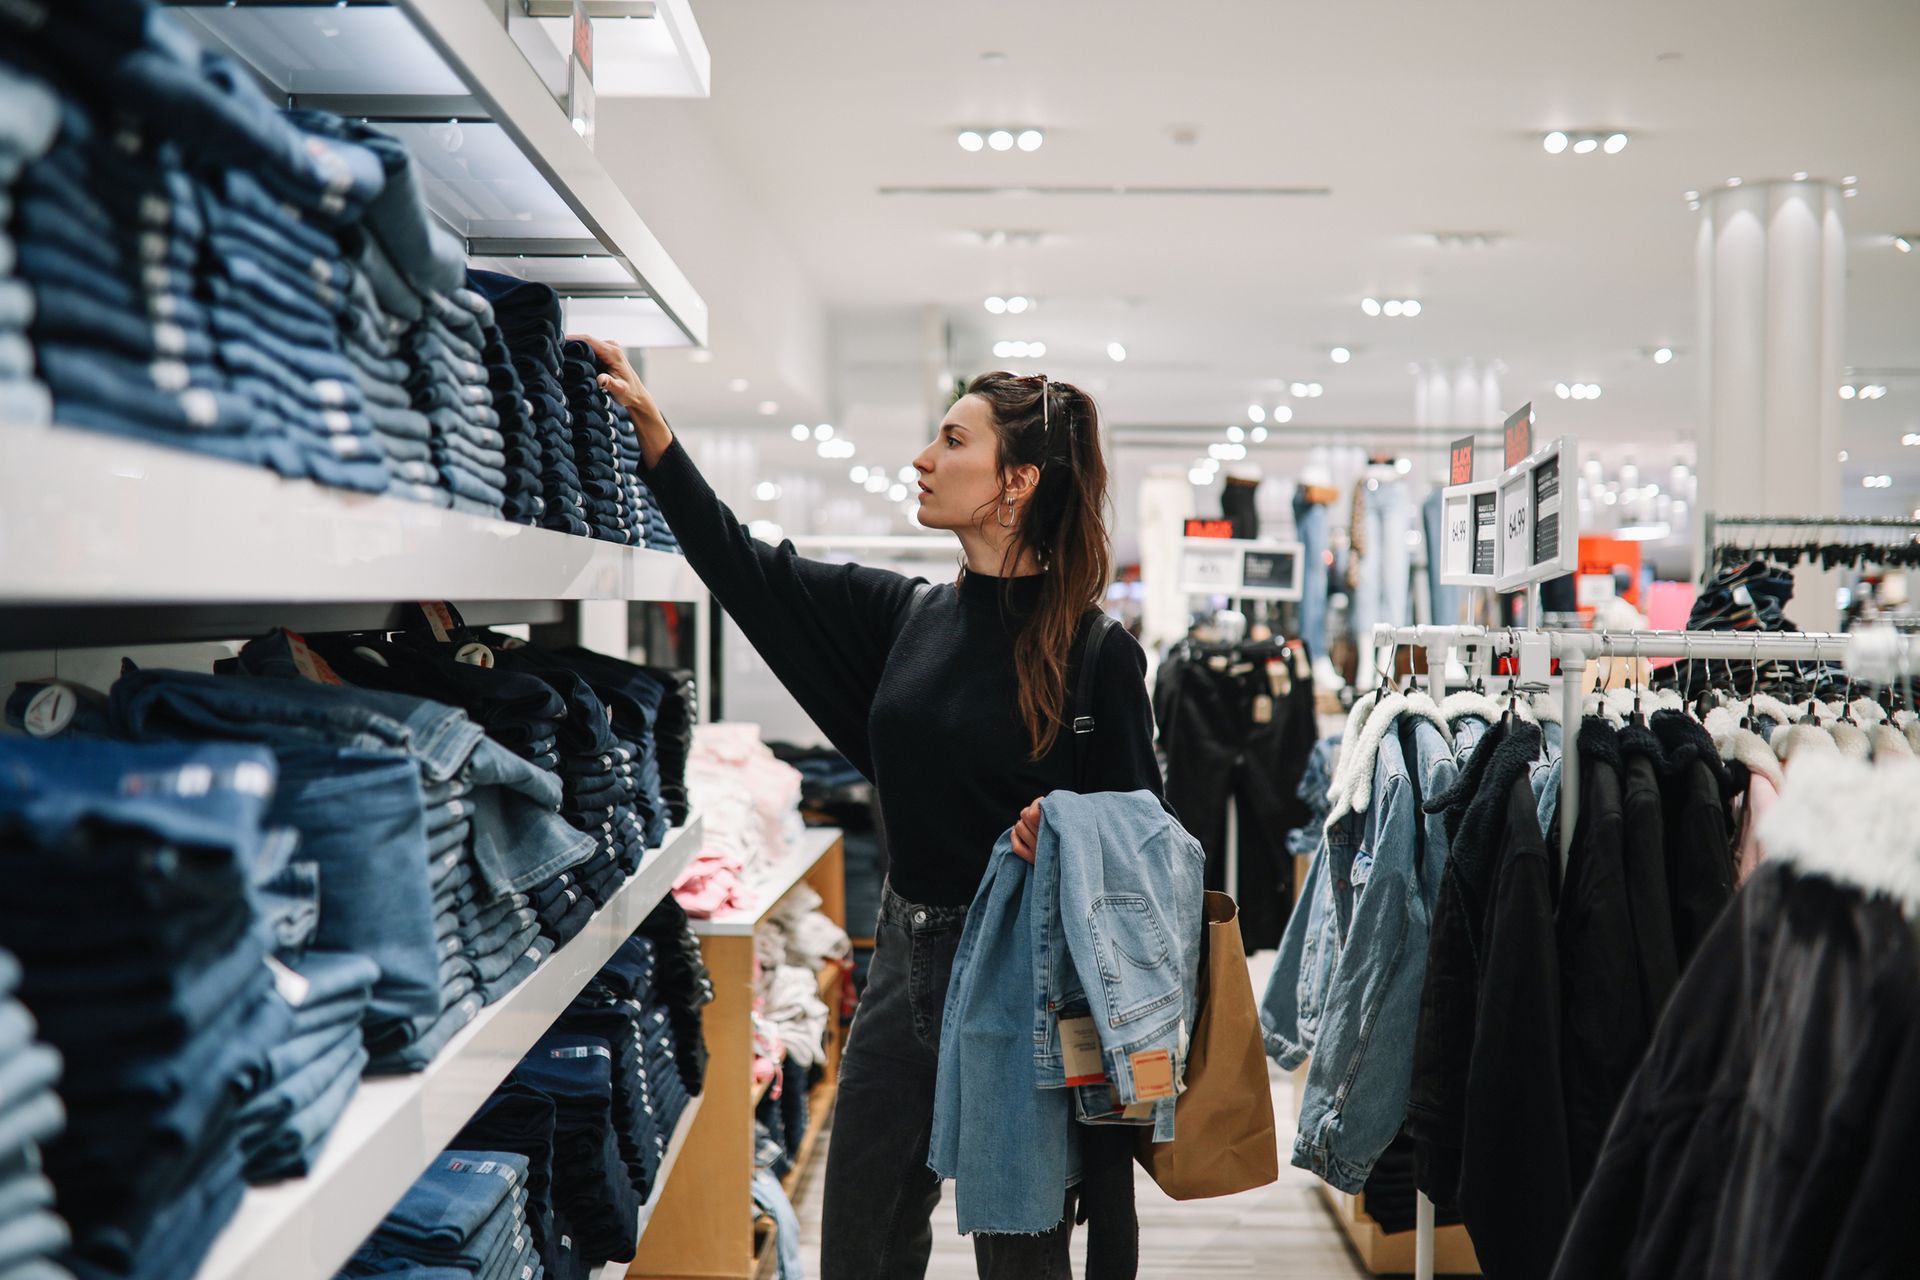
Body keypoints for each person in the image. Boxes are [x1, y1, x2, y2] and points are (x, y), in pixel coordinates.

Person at [574, 336, 1164, 1280]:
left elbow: (1149, 849)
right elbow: (749, 572)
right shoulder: (911, 616)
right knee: (862, 1238)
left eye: (951, 441)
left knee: (1021, 1249)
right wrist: (659, 443)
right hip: (901, 958)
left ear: (1017, 482)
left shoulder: (1096, 655)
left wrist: (1067, 826)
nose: (922, 460)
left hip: (1022, 977)